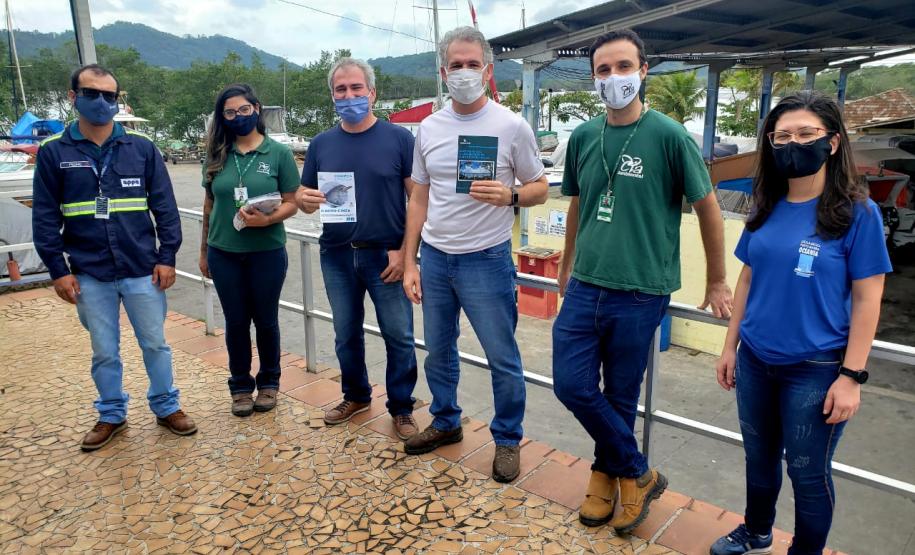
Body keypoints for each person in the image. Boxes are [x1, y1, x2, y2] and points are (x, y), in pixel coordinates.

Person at [551, 29, 733, 533]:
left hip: (641, 289)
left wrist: (718, 280)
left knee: (620, 394)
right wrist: (566, 263)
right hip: (585, 284)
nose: (614, 78)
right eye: (604, 70)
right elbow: (579, 203)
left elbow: (708, 209)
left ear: (644, 70)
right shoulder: (584, 136)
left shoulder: (670, 136)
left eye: (624, 67)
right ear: (593, 77)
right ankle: (637, 471)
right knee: (571, 385)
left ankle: (604, 477)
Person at [710, 91, 891, 555]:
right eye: (782, 136)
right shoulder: (765, 204)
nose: (793, 144)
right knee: (759, 458)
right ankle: (756, 530)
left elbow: (868, 299)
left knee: (808, 473)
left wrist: (851, 376)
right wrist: (730, 347)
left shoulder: (857, 213)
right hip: (755, 360)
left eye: (806, 134)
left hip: (815, 368)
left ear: (832, 142)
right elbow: (748, 278)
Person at [402, 26, 548, 483]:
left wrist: (510, 196)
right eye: (455, 65)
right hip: (436, 258)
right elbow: (419, 197)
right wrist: (409, 261)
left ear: (487, 70)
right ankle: (445, 420)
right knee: (438, 350)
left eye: (472, 64)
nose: (464, 72)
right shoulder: (429, 127)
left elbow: (540, 187)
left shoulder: (511, 126)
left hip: (486, 259)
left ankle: (507, 438)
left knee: (501, 355)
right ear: (443, 72)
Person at [32, 64, 196, 451]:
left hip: (142, 268)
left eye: (109, 96)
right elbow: (45, 217)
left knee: (155, 343)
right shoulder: (54, 151)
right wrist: (57, 270)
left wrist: (167, 257)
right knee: (104, 350)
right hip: (89, 272)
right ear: (73, 97)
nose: (102, 102)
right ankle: (111, 414)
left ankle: (166, 406)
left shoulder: (141, 148)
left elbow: (165, 208)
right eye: (92, 94)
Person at [296, 58, 419, 439]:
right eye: (341, 90)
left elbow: (419, 200)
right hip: (336, 253)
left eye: (356, 88)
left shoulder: (399, 139)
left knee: (399, 334)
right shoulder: (321, 143)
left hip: (386, 255)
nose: (349, 96)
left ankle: (401, 406)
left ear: (372, 93)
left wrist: (406, 253)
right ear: (332, 95)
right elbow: (304, 196)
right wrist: (303, 199)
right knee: (345, 333)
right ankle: (356, 395)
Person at [199, 84, 299, 416]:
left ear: (256, 109)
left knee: (266, 321)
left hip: (266, 251)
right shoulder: (216, 154)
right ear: (222, 117)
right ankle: (240, 386)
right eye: (229, 112)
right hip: (223, 252)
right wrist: (203, 251)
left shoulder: (278, 153)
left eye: (244, 109)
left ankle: (269, 382)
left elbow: (292, 202)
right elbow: (209, 205)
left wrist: (267, 220)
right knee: (236, 322)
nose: (238, 117)